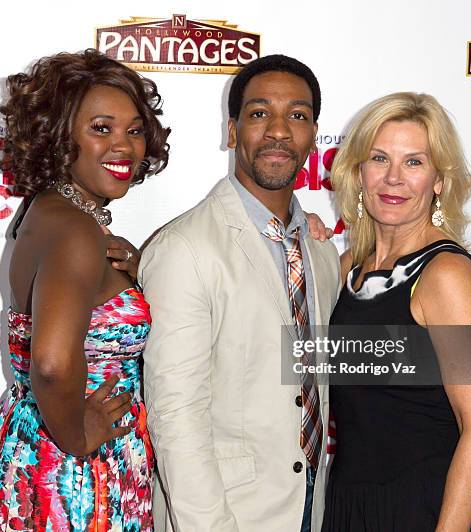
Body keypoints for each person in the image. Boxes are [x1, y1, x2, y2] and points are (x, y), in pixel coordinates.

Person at [138, 55, 341, 532]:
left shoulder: (319, 251)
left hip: (311, 505)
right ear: (232, 131)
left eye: (297, 115)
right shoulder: (185, 248)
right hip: (225, 514)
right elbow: (176, 416)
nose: (278, 131)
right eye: (258, 113)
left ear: (313, 134)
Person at [0, 49, 170, 531]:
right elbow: (53, 362)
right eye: (101, 128)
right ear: (60, 137)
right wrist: (79, 438)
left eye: (135, 129)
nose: (124, 146)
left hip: (34, 446)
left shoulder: (47, 213)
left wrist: (136, 276)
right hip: (74, 476)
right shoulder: (77, 232)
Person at [321, 92, 471, 531]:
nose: (394, 179)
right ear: (358, 171)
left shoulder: (447, 274)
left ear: (439, 180)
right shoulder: (347, 267)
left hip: (428, 509)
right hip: (350, 503)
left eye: (414, 162)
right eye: (380, 158)